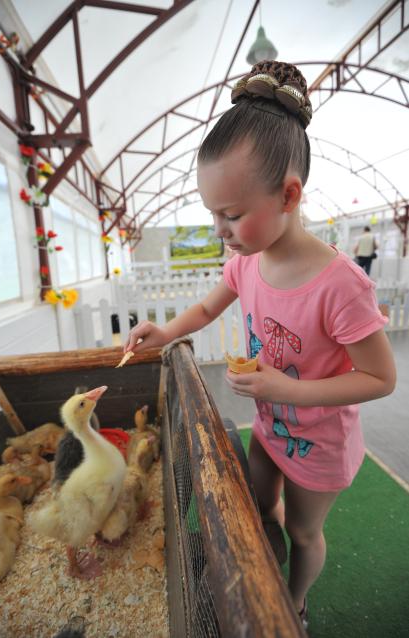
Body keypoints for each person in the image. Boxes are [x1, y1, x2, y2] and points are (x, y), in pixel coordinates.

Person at [123, 60, 396, 629]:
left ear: (289, 194)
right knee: (255, 504)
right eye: (212, 215)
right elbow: (206, 307)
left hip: (318, 444)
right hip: (269, 427)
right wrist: (166, 332)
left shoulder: (341, 284)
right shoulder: (245, 262)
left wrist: (283, 386)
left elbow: (380, 378)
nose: (220, 230)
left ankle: (293, 597)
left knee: (302, 530)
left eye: (232, 214)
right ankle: (267, 573)